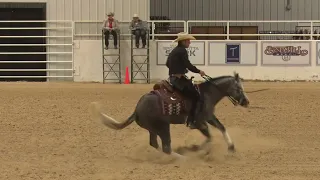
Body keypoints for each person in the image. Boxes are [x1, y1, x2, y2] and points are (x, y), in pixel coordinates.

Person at [165, 32, 206, 129]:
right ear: (183, 41)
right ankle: (192, 121)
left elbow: (167, 64)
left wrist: (179, 69)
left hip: (173, 78)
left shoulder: (175, 50)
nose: (189, 42)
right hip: (178, 80)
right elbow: (188, 64)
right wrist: (199, 71)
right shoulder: (182, 51)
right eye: (188, 41)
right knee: (196, 96)